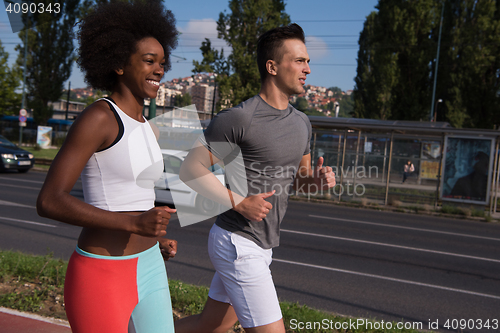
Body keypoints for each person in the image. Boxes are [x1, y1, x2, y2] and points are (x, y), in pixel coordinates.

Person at [175, 23, 336, 333]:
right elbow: (191, 169)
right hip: (237, 241)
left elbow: (298, 178)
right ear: (272, 66)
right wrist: (239, 203)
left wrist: (314, 180)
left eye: (308, 61)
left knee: (210, 325)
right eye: (299, 61)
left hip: (264, 245)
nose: (308, 69)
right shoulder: (239, 118)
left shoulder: (302, 123)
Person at [36, 1, 178, 332]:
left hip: (151, 266)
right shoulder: (99, 118)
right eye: (148, 61)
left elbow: (132, 193)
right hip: (101, 273)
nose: (159, 69)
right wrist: (134, 223)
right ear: (118, 64)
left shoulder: (146, 124)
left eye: (162, 62)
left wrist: (153, 237)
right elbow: (49, 200)